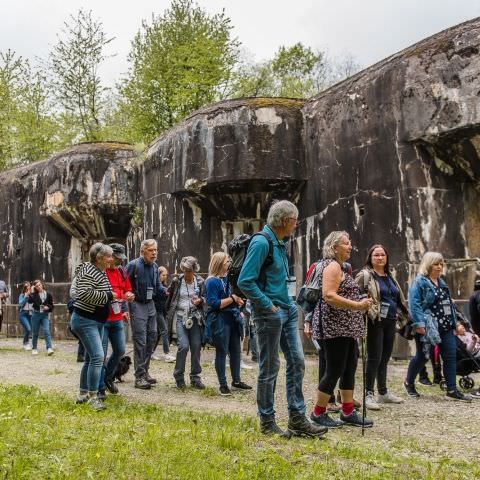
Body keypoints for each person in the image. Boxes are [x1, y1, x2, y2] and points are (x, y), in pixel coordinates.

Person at [238, 200, 326, 438]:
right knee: (270, 367)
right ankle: (267, 422)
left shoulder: (279, 242)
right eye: (295, 221)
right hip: (269, 314)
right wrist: (269, 306)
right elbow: (245, 281)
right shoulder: (261, 242)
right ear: (286, 221)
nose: (296, 225)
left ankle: (297, 419)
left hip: (286, 311)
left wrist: (288, 306)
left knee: (297, 362)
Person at [304, 231, 373, 429]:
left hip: (346, 328)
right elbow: (329, 296)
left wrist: (360, 301)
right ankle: (318, 413)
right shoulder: (332, 266)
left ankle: (348, 411)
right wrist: (358, 305)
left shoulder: (342, 267)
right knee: (334, 369)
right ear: (334, 247)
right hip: (335, 327)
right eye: (346, 243)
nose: (350, 246)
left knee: (349, 366)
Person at [404, 251, 471, 402]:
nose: (440, 267)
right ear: (428, 265)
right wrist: (419, 324)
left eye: (441, 264)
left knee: (450, 356)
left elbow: (449, 305)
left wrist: (456, 323)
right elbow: (414, 305)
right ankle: (409, 383)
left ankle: (452, 389)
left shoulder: (441, 283)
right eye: (436, 264)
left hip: (446, 326)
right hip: (428, 326)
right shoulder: (420, 282)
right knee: (423, 356)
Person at [355, 244, 407, 410]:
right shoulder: (365, 275)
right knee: (374, 357)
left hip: (390, 321)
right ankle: (368, 394)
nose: (379, 258)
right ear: (370, 258)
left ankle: (383, 393)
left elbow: (397, 298)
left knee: (385, 357)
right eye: (376, 255)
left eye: (382, 255)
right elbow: (355, 293)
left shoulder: (390, 276)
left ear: (386, 257)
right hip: (374, 321)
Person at [70, 243, 116, 411]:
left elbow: (100, 292)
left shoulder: (99, 271)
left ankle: (82, 395)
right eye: (109, 256)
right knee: (98, 357)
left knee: (91, 358)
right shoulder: (89, 271)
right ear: (99, 258)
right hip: (85, 320)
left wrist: (114, 298)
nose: (112, 259)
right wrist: (109, 295)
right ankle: (93, 397)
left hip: (95, 321)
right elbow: (82, 294)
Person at [205, 252, 252, 396]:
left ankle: (236, 381)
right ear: (219, 263)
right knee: (222, 352)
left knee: (236, 351)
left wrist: (238, 304)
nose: (229, 263)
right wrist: (233, 298)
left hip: (232, 318)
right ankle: (223, 384)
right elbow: (214, 304)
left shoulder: (226, 279)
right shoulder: (212, 281)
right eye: (227, 261)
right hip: (220, 320)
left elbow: (231, 297)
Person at [98, 244, 135, 399]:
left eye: (121, 258)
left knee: (120, 350)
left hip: (117, 318)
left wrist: (128, 298)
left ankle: (108, 377)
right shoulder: (101, 272)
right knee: (101, 354)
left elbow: (127, 289)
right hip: (102, 319)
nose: (120, 261)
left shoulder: (121, 271)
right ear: (110, 257)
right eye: (118, 257)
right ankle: (99, 388)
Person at [126, 239, 164, 390]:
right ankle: (139, 376)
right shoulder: (133, 265)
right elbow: (125, 284)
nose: (154, 253)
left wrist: (166, 290)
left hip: (150, 304)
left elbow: (157, 286)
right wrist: (127, 295)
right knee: (140, 340)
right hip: (137, 304)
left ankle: (145, 371)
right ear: (142, 251)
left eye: (156, 250)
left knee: (152, 338)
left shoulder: (155, 267)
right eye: (151, 250)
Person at [166, 256, 206, 390]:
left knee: (196, 346)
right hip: (180, 316)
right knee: (183, 346)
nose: (187, 273)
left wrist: (200, 300)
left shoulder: (200, 282)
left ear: (194, 270)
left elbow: (205, 298)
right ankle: (179, 376)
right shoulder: (177, 281)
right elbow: (170, 298)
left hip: (195, 317)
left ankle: (195, 377)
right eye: (185, 270)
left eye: (189, 270)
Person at [152, 266, 175, 363]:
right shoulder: (156, 286)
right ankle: (167, 354)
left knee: (157, 333)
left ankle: (151, 352)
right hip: (156, 311)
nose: (165, 277)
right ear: (158, 275)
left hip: (162, 311)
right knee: (164, 331)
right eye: (163, 275)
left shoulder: (164, 286)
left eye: (166, 275)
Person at [28, 280, 54, 356]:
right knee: (35, 332)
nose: (39, 287)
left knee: (46, 331)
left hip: (45, 315)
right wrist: (32, 291)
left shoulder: (48, 294)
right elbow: (30, 301)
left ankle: (49, 348)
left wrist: (48, 307)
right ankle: (34, 348)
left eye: (39, 285)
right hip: (35, 314)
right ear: (35, 287)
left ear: (42, 285)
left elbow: (52, 305)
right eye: (37, 286)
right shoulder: (34, 294)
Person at [18, 282, 33, 350]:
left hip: (30, 314)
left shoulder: (32, 296)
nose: (28, 290)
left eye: (29, 289)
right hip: (23, 314)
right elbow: (20, 304)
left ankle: (26, 343)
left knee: (28, 330)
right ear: (24, 289)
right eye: (27, 289)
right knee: (28, 329)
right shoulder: (22, 295)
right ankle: (25, 343)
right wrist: (26, 296)